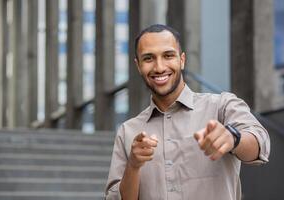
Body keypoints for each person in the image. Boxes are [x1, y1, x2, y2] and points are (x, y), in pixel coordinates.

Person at [105, 24, 270, 200]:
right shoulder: (127, 131)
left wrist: (233, 138)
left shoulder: (221, 105)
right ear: (138, 66)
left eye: (168, 56)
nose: (159, 67)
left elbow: (260, 143)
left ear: (182, 60)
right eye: (148, 58)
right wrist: (133, 165)